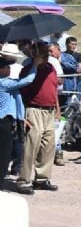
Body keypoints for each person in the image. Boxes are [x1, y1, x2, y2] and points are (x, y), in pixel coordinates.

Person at [16, 42, 59, 195]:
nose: (47, 57)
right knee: (31, 146)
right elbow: (20, 94)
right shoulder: (27, 71)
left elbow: (53, 90)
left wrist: (57, 109)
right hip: (33, 110)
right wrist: (22, 116)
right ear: (36, 56)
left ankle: (42, 178)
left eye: (48, 54)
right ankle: (24, 180)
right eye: (44, 55)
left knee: (48, 145)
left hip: (49, 111)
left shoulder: (51, 69)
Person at [0, 58, 36, 185]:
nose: (9, 69)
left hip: (7, 120)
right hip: (3, 121)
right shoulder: (4, 83)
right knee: (4, 152)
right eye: (6, 67)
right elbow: (28, 80)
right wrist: (35, 65)